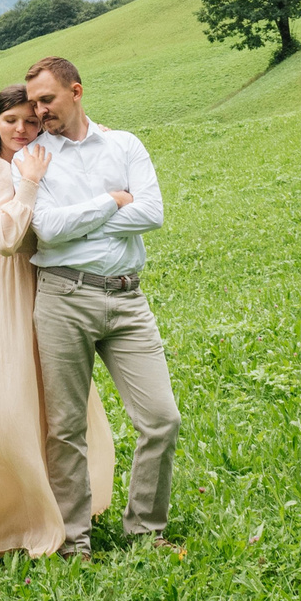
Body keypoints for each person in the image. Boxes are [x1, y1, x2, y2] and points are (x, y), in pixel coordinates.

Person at [17, 55, 180, 556]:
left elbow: (152, 212)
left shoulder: (124, 143)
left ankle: (146, 531)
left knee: (162, 419)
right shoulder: (32, 159)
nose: (39, 111)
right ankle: (73, 541)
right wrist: (113, 201)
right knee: (66, 429)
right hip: (64, 298)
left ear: (76, 91)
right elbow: (48, 228)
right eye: (34, 103)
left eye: (48, 99)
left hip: (128, 299)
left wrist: (81, 221)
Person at [0, 84, 112, 566]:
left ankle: (56, 510)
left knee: (44, 404)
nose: (22, 129)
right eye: (12, 120)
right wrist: (32, 183)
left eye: (32, 121)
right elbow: (3, 237)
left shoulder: (27, 161)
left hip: (36, 287)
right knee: (0, 413)